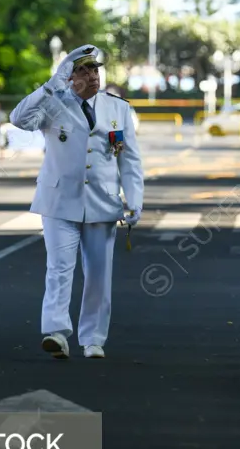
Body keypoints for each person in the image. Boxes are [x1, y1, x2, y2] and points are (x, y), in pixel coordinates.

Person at [9, 44, 144, 360]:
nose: (91, 76)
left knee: (98, 274)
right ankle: (56, 332)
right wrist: (52, 85)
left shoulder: (118, 108)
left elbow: (130, 161)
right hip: (58, 200)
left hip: (103, 202)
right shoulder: (55, 104)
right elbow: (18, 119)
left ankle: (94, 337)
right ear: (69, 77)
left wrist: (134, 201)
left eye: (94, 69)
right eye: (82, 71)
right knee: (59, 268)